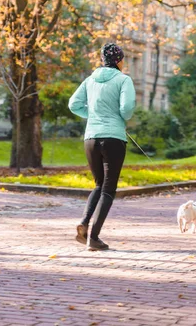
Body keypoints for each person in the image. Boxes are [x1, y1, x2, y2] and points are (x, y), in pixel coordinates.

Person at [68, 43, 136, 251]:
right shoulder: (124, 80)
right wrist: (117, 117)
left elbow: (73, 104)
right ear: (118, 60)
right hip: (113, 138)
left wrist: (94, 116)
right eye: (123, 59)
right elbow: (127, 108)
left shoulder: (90, 80)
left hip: (91, 138)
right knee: (108, 189)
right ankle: (94, 238)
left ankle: (85, 222)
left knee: (98, 185)